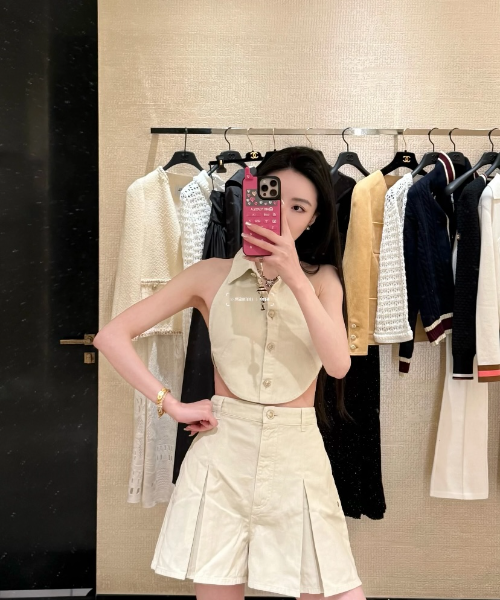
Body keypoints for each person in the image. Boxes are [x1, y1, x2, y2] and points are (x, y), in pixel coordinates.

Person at [94, 146, 366, 600]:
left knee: (337, 590)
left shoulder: (323, 281)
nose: (282, 216)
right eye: (273, 198)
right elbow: (111, 336)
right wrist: (171, 405)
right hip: (223, 456)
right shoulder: (210, 275)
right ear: (253, 197)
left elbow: (338, 364)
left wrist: (294, 277)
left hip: (297, 457)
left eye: (299, 207)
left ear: (315, 219)